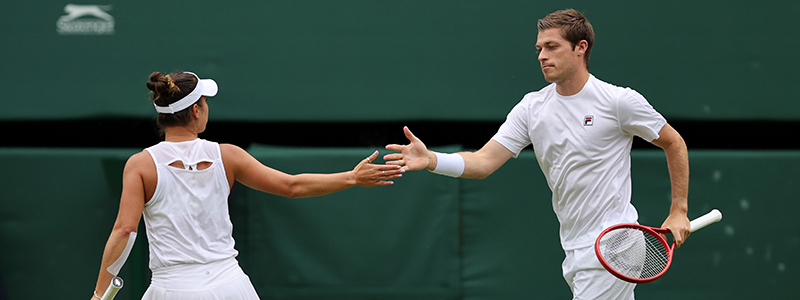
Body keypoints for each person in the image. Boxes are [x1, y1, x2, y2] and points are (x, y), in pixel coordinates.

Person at [384, 9, 690, 300]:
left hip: (615, 246)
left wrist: (678, 210)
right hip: (576, 249)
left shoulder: (619, 102)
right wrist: (432, 160)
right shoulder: (531, 108)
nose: (542, 56)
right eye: (539, 48)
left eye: (552, 47)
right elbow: (483, 162)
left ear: (580, 48)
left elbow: (673, 142)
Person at [90, 71, 404, 300]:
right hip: (230, 287)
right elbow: (291, 186)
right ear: (196, 110)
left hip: (171, 290)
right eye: (205, 102)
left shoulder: (140, 165)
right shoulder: (228, 155)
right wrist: (351, 177)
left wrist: (99, 294)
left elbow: (124, 232)